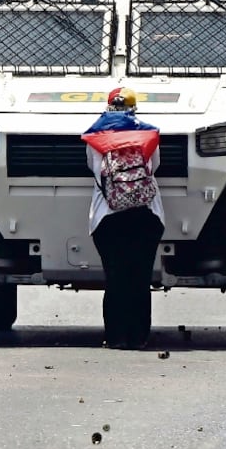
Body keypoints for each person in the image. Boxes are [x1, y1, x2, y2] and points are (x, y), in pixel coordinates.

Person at [81, 87, 165, 350]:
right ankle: (139, 337)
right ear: (133, 108)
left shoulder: (95, 137)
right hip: (147, 213)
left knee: (115, 278)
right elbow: (155, 168)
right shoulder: (149, 134)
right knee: (140, 278)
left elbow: (93, 170)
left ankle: (116, 337)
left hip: (107, 216)